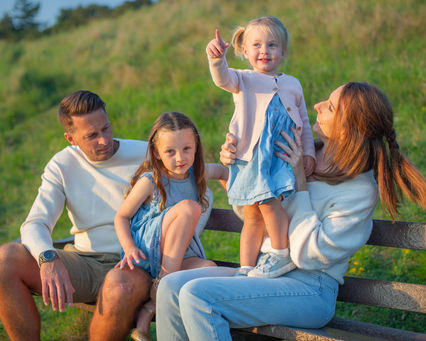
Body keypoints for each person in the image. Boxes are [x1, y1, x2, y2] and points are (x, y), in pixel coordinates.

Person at [155, 82, 426, 340]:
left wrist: (300, 184)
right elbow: (254, 215)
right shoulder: (301, 152)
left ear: (348, 128)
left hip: (310, 290)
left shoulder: (359, 191)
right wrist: (240, 164)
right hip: (266, 271)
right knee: (170, 288)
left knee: (198, 296)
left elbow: (308, 255)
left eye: (331, 106)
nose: (317, 106)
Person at [0, 90, 212, 341]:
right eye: (91, 135)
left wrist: (170, 250)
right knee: (5, 259)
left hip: (137, 264)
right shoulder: (62, 164)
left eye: (106, 128)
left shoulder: (149, 153)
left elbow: (198, 192)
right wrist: (47, 258)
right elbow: (36, 221)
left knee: (118, 284)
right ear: (71, 138)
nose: (104, 140)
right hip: (84, 262)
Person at [206, 16, 316, 278]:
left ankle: (280, 253)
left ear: (283, 51)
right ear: (244, 51)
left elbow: (305, 124)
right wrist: (217, 59)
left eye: (272, 45)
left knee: (267, 203)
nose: (264, 51)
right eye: (256, 45)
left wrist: (309, 152)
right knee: (251, 213)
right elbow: (222, 78)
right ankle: (245, 266)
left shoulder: (293, 84)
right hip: (249, 156)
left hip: (278, 156)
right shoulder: (242, 79)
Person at [115, 112, 227, 341]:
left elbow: (225, 171)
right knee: (189, 208)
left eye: (187, 148)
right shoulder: (151, 180)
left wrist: (241, 206)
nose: (180, 158)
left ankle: (148, 316)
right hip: (147, 249)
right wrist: (128, 247)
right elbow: (122, 217)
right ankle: (161, 286)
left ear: (196, 147)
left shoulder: (197, 173)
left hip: (175, 256)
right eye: (170, 151)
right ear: (156, 153)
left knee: (208, 269)